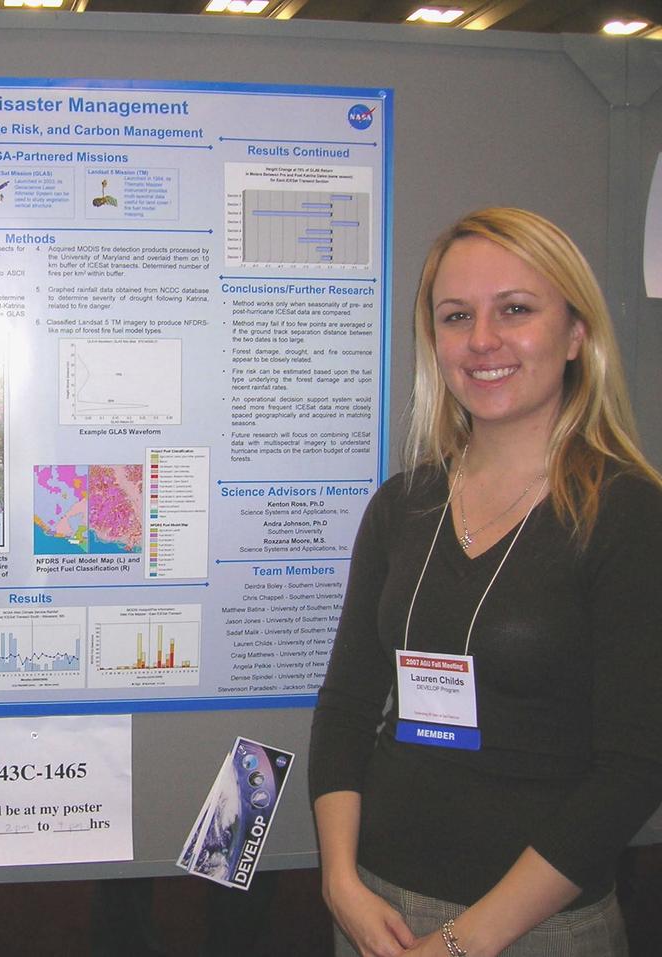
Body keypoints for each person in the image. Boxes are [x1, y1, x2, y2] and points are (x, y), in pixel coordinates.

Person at [309, 207, 662, 957]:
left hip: (537, 929)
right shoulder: (403, 506)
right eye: (456, 315)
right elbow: (344, 707)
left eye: (516, 310)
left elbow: (636, 766)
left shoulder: (628, 514)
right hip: (377, 912)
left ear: (576, 334)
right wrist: (340, 881)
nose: (482, 340)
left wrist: (465, 939)